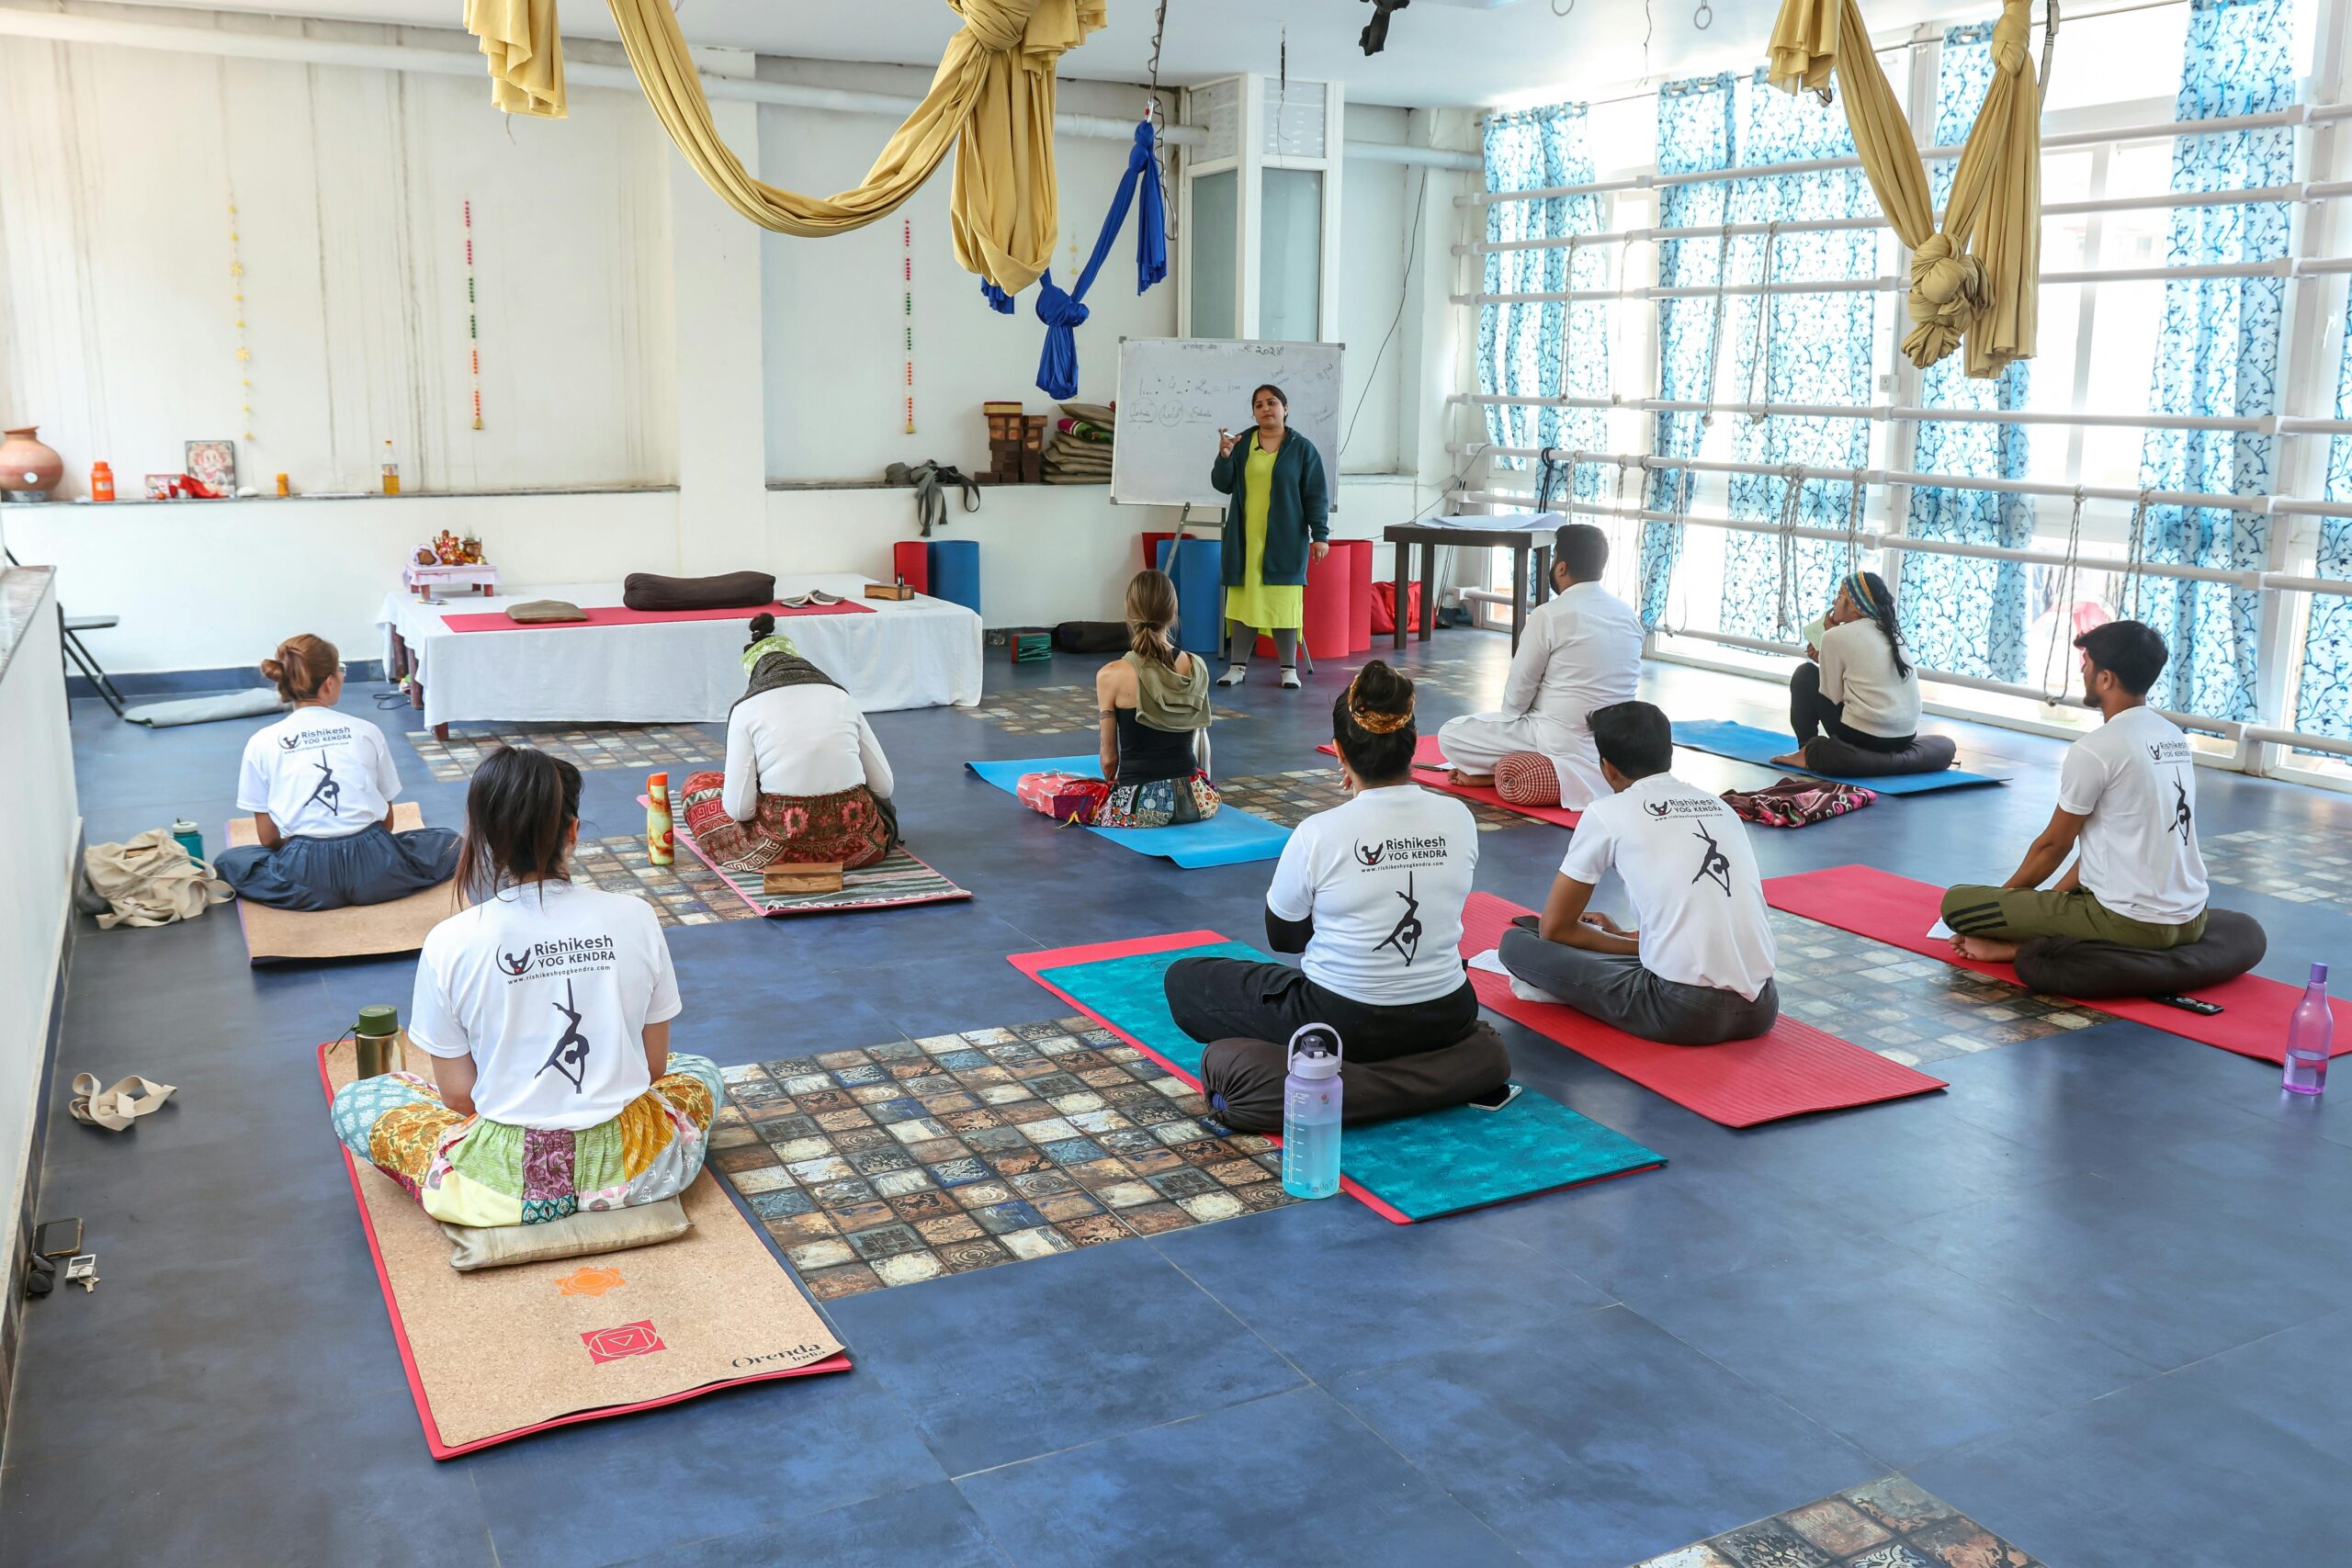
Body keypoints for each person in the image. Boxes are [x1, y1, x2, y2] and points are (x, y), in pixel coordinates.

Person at [329, 747, 721, 1228]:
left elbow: (457, 1097)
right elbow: (656, 1066)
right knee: (698, 1070)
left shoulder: (449, 940)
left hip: (505, 1178)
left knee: (359, 1101)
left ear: (487, 840)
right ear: (572, 832)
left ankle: (521, 1201)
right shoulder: (635, 916)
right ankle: (604, 1193)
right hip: (635, 1167)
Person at [1161, 662, 1481, 1063]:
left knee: (1185, 978)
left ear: (1339, 750)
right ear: (1414, 742)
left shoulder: (1319, 831)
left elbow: (1285, 939)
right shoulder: (1459, 817)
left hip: (1345, 1024)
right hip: (1450, 1013)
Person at [1499, 700, 1779, 1044]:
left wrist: (1622, 945)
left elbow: (1554, 928)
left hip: (1682, 1012)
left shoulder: (1607, 812)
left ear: (1608, 767)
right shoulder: (1720, 806)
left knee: (1517, 944)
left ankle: (1624, 959)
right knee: (1563, 937)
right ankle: (1640, 951)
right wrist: (1631, 940)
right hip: (1763, 1007)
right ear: (1670, 752)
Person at [1942, 620, 2208, 959]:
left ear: (2106, 678)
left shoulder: (2096, 749)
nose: (2083, 670)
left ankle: (2020, 944)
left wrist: (2004, 908)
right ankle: (2038, 937)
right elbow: (2108, 847)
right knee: (2067, 901)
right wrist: (2045, 906)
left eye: (2088, 663)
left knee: (1956, 903)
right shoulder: (2173, 737)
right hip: (2192, 918)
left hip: (2132, 922)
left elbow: (2053, 846)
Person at [214, 634, 458, 910]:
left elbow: (268, 838)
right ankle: (368, 886)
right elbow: (387, 822)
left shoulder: (262, 741)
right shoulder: (366, 730)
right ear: (330, 681)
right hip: (377, 870)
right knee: (449, 842)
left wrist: (312, 850)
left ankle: (321, 893)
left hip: (306, 878)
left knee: (229, 862)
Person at [1435, 522, 1642, 807]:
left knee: (1451, 734)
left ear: (1561, 567)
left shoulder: (1549, 615)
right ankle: (1554, 773)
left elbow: (1519, 688)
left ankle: (1505, 773)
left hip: (1553, 737)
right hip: (1611, 747)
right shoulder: (1627, 614)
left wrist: (1513, 718)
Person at [679, 614, 897, 872]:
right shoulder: (841, 697)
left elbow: (740, 811)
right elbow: (884, 787)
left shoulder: (746, 708)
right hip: (861, 846)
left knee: (698, 785)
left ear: (755, 673)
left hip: (782, 850)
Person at [1210, 383, 1330, 690]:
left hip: (1285, 540)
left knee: (1283, 602)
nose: (1266, 408)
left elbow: (1315, 494)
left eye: (1272, 403)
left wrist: (1320, 535)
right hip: (1245, 540)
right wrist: (1224, 456)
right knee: (1243, 602)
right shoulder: (1241, 443)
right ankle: (1237, 667)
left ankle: (1288, 669)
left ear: (1285, 409)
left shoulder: (1302, 449)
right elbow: (1222, 484)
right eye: (1259, 404)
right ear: (1253, 412)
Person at [1090, 569, 1221, 828]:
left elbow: (1108, 761)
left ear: (1129, 608)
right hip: (1197, 801)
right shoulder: (1196, 666)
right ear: (1173, 611)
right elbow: (1197, 739)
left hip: (1137, 807)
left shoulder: (1110, 675)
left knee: (1047, 790)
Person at [1770, 570, 1921, 766]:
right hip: (1905, 737)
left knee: (1804, 674)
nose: (1834, 601)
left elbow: (1832, 694)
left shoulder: (1835, 636)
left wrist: (1827, 650)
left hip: (1866, 736)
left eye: (1840, 595)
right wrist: (1825, 658)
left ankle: (1807, 751)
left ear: (1855, 607)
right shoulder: (1888, 631)